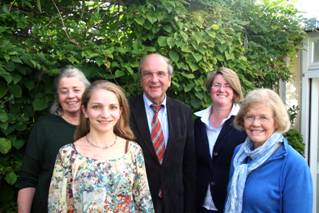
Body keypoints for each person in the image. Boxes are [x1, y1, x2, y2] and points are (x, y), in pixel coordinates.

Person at [48, 80, 154, 212]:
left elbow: (144, 203)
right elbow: (56, 207)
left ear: (120, 111)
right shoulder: (68, 154)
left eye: (112, 107)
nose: (105, 114)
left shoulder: (133, 151)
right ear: (85, 111)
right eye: (97, 107)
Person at [225, 88, 313, 213]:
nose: (255, 123)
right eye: (250, 116)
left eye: (263, 117)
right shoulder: (239, 154)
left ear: (276, 122)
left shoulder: (294, 164)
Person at [16, 66, 90, 213]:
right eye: (64, 91)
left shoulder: (98, 127)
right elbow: (28, 178)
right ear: (58, 95)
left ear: (87, 93)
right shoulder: (45, 127)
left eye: (76, 90)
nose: (70, 95)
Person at [129, 53, 196, 213]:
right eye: (148, 74)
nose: (154, 80)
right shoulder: (125, 110)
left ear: (169, 79)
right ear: (141, 79)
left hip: (175, 203)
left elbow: (189, 165)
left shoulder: (184, 112)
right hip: (136, 203)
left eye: (160, 74)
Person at [194, 67, 246, 213]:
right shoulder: (198, 123)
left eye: (227, 85)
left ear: (234, 91)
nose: (222, 89)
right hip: (199, 205)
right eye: (217, 84)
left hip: (230, 205)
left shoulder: (244, 123)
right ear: (210, 89)